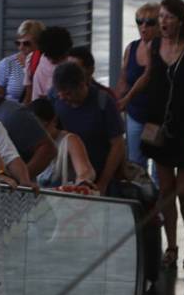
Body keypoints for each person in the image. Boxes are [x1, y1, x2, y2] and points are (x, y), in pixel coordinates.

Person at [118, 0, 184, 273]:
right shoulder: (156, 46)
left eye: (168, 17)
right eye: (161, 17)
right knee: (166, 192)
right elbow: (147, 76)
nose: (163, 22)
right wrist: (126, 99)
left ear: (181, 20)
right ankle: (171, 246)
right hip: (158, 126)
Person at [46, 60, 127, 196]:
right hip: (63, 177)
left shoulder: (104, 102)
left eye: (67, 94)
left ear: (82, 85)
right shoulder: (54, 97)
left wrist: (103, 182)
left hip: (98, 176)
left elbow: (117, 145)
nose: (63, 98)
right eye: (60, 94)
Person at [118, 4, 161, 169]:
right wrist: (117, 101)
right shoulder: (132, 48)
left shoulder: (162, 49)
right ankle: (140, 194)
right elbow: (123, 79)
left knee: (159, 168)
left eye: (150, 23)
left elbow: (147, 76)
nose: (143, 27)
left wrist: (126, 98)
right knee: (135, 164)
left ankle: (159, 195)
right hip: (135, 114)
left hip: (156, 118)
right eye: (139, 21)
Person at [25, 98, 97, 190]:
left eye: (41, 126)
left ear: (54, 121)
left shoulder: (70, 140)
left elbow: (85, 170)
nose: (37, 133)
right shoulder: (28, 141)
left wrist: (82, 181)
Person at [0, 20, 46, 104]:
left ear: (39, 43)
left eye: (26, 43)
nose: (21, 47)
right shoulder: (7, 64)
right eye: (18, 43)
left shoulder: (47, 64)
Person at [23, 24, 76, 102]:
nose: (52, 61)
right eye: (49, 57)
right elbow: (28, 93)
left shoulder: (74, 66)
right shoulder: (32, 59)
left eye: (57, 58)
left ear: (65, 52)